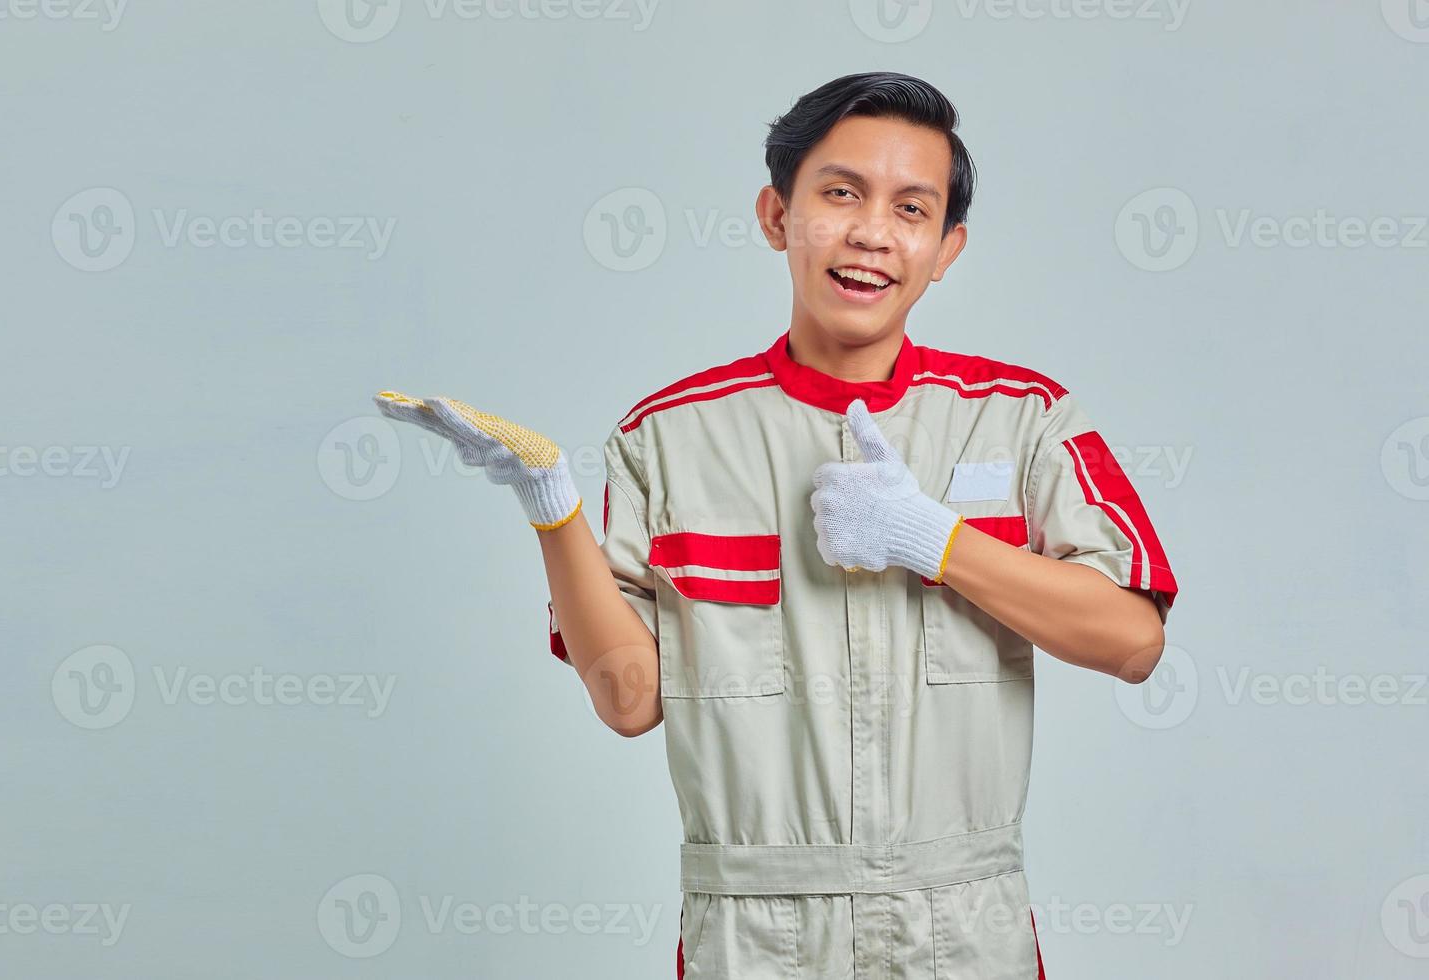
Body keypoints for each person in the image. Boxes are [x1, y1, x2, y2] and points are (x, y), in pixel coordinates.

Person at [374, 70, 1178, 980]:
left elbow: (1133, 641)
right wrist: (554, 513)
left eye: (912, 209)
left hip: (962, 928)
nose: (872, 232)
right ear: (775, 215)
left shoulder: (1025, 419)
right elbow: (631, 702)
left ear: (948, 247)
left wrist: (936, 539)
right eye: (840, 194)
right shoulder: (666, 438)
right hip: (757, 937)